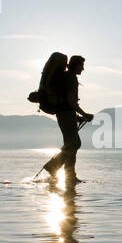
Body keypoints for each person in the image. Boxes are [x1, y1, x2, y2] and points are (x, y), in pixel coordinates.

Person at [42, 54, 93, 183]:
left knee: (73, 144)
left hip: (65, 114)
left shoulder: (66, 77)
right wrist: (84, 114)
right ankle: (65, 174)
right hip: (66, 114)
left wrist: (77, 117)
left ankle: (63, 172)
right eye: (82, 66)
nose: (83, 69)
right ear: (76, 65)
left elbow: (66, 102)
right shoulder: (70, 78)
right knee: (73, 144)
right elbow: (70, 101)